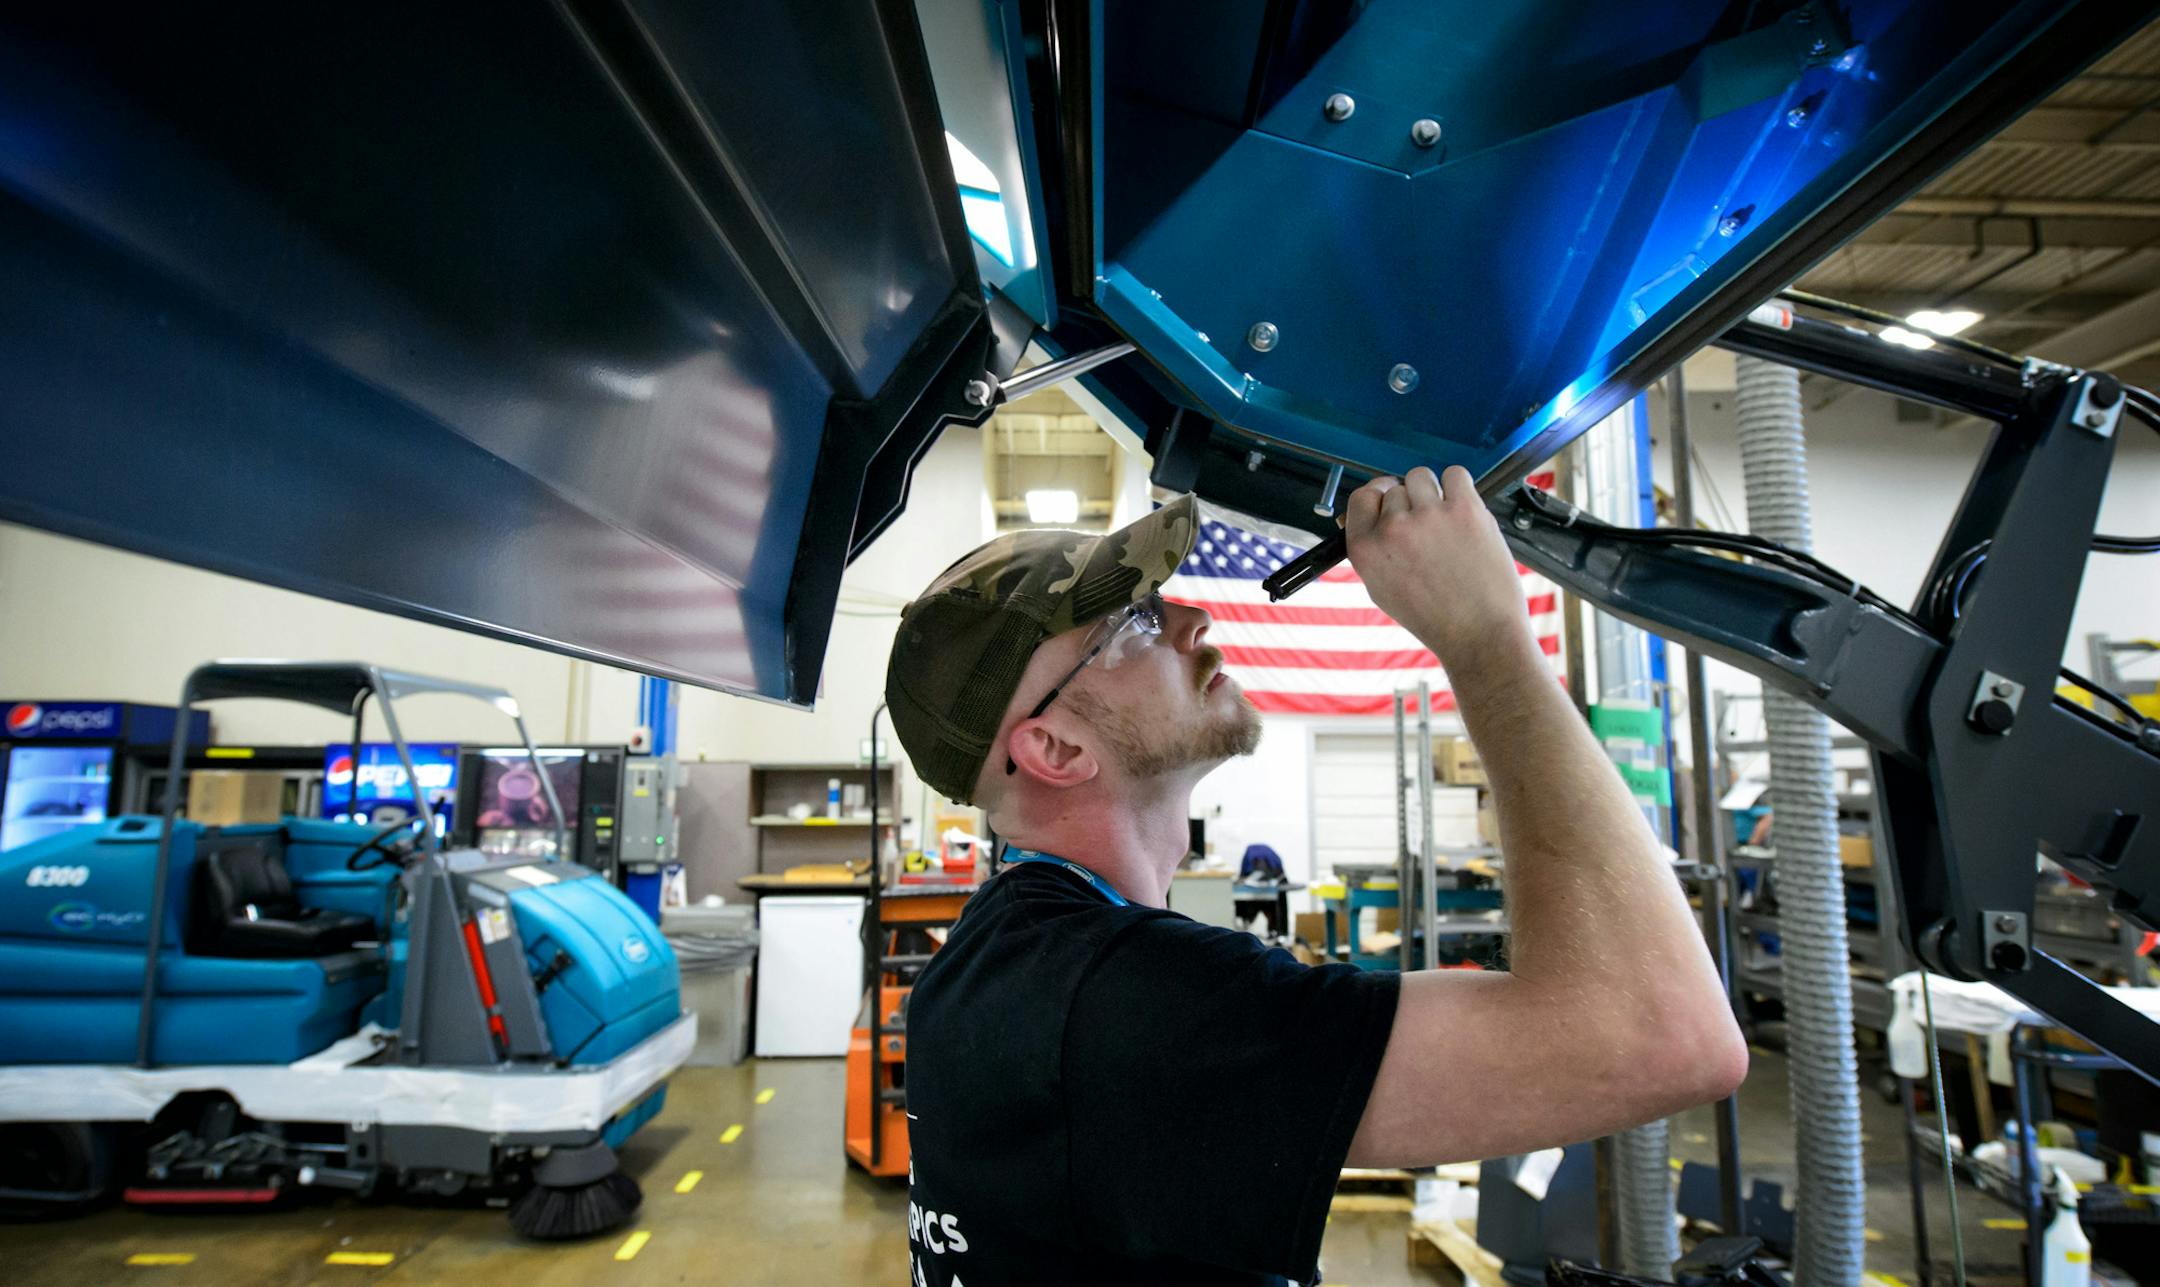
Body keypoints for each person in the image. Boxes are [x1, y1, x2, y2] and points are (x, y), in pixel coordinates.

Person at [884, 467, 1748, 1287]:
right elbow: (1661, 1032)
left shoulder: (1000, 957)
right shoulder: (1128, 1006)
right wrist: (1487, 638)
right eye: (1133, 624)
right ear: (1055, 749)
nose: (1190, 621)